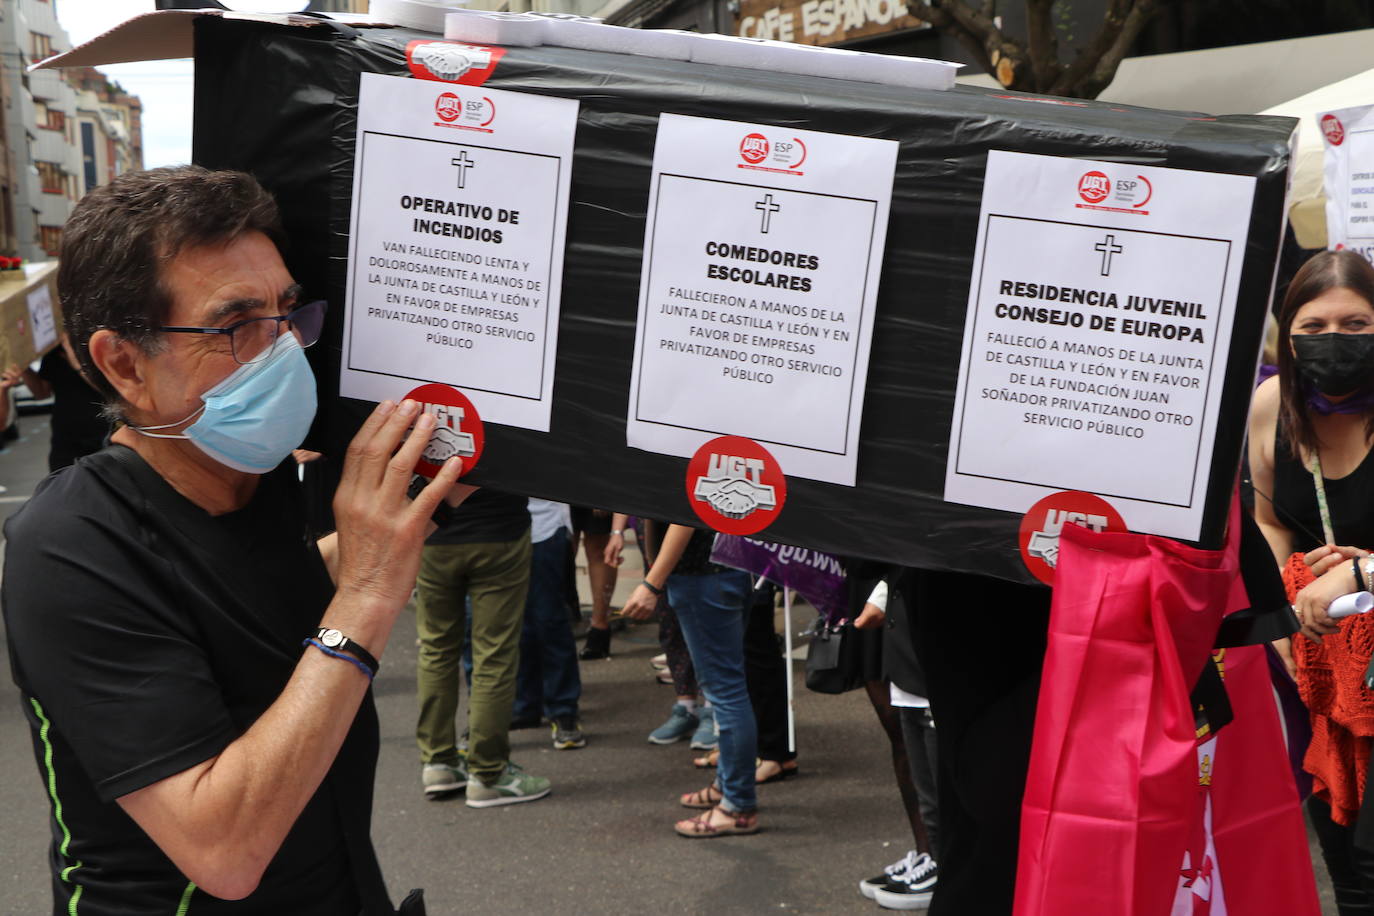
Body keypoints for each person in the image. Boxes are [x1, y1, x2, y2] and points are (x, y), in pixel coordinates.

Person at [2, 166, 465, 914]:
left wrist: (424, 500)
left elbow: (260, 602)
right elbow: (224, 849)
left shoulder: (253, 483)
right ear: (124, 362)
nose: (283, 348)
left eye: (287, 312)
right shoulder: (70, 544)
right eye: (236, 324)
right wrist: (371, 592)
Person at [1248, 249, 1374, 913]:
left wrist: (1359, 572)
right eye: (1315, 326)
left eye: (1357, 326)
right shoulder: (1273, 405)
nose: (1334, 342)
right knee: (1341, 848)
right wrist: (1281, 616)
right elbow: (1270, 521)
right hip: (1319, 665)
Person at [414, 488, 551, 807]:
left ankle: (438, 763)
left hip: (434, 531)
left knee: (436, 651)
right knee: (495, 656)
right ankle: (488, 774)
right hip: (499, 529)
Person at [621, 523, 760, 837]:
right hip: (731, 568)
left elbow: (683, 517)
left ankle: (737, 806)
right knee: (728, 690)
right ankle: (730, 789)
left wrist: (651, 583)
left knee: (726, 692)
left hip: (703, 575)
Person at [513, 497, 586, 750]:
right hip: (497, 532)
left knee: (550, 621)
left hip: (544, 527)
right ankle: (524, 705)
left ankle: (564, 709)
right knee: (515, 625)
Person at [20, 331, 109, 470]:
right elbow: (42, 393)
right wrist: (22, 366)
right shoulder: (55, 350)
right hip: (66, 440)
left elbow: (107, 389)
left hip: (102, 435)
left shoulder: (97, 340)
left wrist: (75, 359)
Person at [572, 506, 619, 659]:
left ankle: (599, 627)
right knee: (563, 543)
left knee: (598, 545)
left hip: (592, 485)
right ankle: (558, 623)